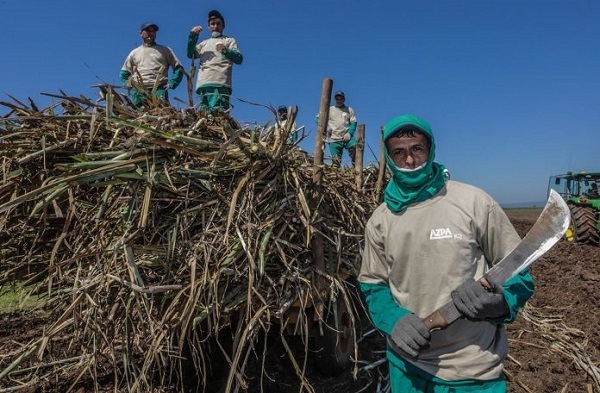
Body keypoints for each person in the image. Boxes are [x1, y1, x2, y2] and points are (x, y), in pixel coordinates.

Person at [358, 114, 534, 393]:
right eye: (399, 153)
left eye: (417, 149)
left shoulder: (473, 202)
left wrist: (498, 304)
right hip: (408, 367)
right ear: (389, 158)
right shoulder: (381, 219)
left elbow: (518, 273)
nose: (410, 161)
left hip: (473, 370)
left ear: (431, 150)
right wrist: (394, 320)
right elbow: (372, 285)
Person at [187, 10, 243, 112]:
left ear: (223, 26)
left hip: (220, 83)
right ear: (209, 26)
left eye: (218, 23)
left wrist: (226, 50)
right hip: (204, 83)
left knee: (218, 113)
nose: (215, 26)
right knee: (204, 114)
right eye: (212, 24)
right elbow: (190, 54)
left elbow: (239, 58)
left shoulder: (229, 41)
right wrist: (193, 36)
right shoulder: (204, 44)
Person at [119, 22, 184, 108]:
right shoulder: (134, 53)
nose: (151, 33)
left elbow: (178, 68)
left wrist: (172, 83)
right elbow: (124, 73)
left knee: (161, 113)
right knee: (140, 117)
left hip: (159, 89)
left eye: (153, 31)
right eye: (148, 31)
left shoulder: (164, 50)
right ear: (141, 33)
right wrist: (129, 85)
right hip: (139, 91)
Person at [316, 91, 357, 167]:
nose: (339, 100)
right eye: (337, 99)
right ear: (335, 99)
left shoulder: (349, 110)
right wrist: (326, 126)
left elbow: (353, 123)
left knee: (355, 148)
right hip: (334, 139)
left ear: (344, 99)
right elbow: (317, 118)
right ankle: (337, 172)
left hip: (347, 137)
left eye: (341, 99)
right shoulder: (329, 109)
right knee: (336, 160)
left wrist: (349, 133)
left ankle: (356, 168)